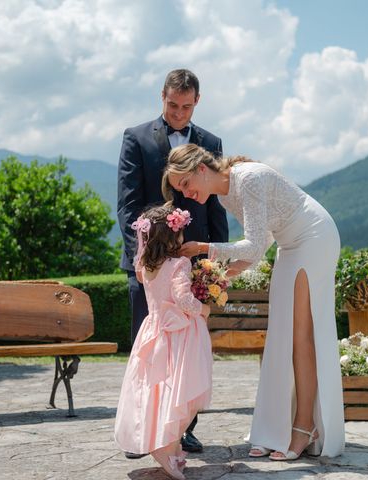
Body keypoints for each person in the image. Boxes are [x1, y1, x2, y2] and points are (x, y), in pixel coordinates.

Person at [162, 144, 345, 460]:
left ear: (201, 169)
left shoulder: (248, 179)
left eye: (186, 184)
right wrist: (225, 274)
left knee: (301, 336)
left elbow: (254, 243)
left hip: (314, 237)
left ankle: (305, 427)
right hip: (288, 246)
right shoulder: (224, 194)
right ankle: (274, 428)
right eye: (181, 189)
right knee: (281, 337)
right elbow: (260, 245)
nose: (186, 193)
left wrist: (205, 248)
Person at [116, 68, 228, 454]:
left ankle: (182, 427)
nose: (178, 113)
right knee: (147, 350)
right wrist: (146, 257)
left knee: (189, 354)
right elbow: (128, 204)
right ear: (161, 96)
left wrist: (216, 261)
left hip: (195, 261)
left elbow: (215, 209)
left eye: (186, 106)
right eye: (172, 105)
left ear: (197, 101)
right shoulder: (136, 138)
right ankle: (141, 431)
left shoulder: (211, 142)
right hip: (148, 265)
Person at [114, 204, 213, 480]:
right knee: (182, 393)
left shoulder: (144, 266)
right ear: (172, 238)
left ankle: (169, 444)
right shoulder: (179, 264)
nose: (182, 237)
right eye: (180, 233)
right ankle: (166, 446)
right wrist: (203, 309)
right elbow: (182, 300)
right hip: (178, 334)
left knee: (157, 391)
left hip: (153, 330)